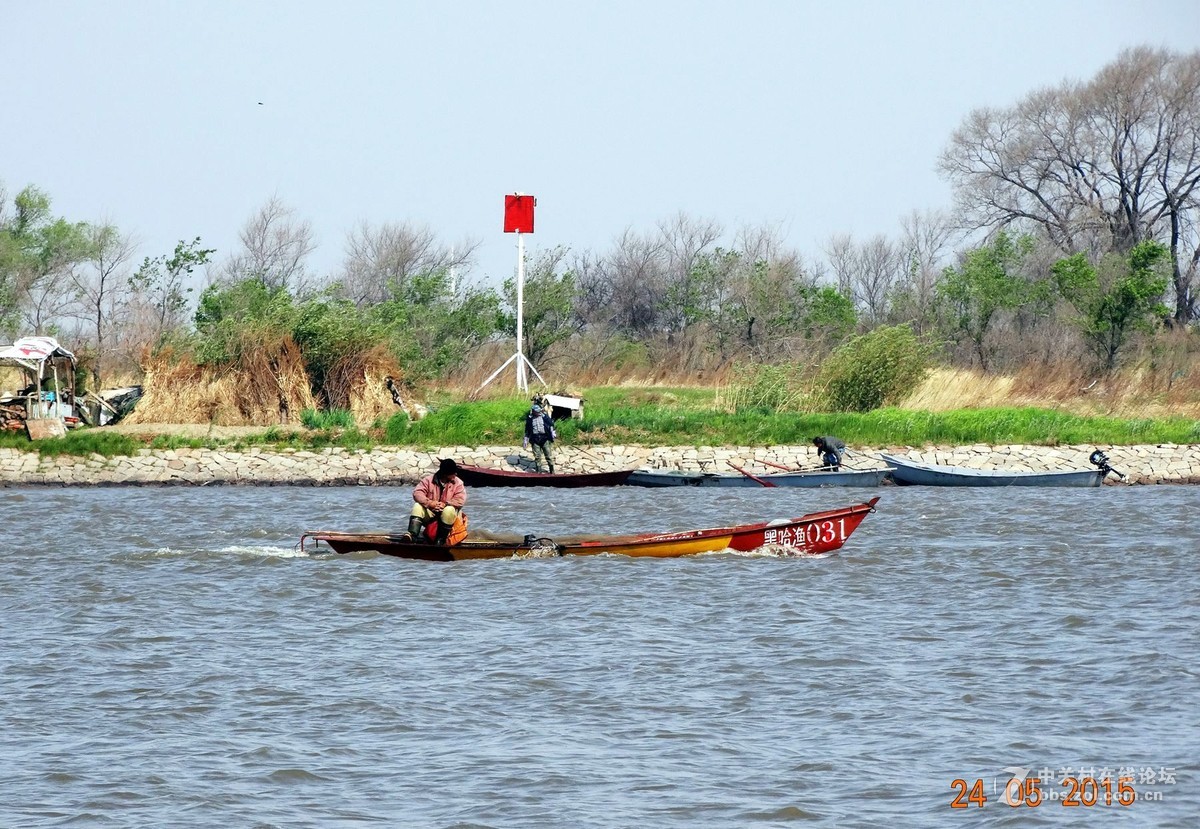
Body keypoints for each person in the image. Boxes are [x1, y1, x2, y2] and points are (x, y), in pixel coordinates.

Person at [403, 458, 467, 545]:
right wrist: (430, 503)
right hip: (431, 514)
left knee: (449, 510)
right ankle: (412, 535)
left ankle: (440, 540)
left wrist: (445, 504)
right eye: (452, 472)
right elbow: (417, 493)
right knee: (418, 506)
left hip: (449, 518)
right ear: (445, 473)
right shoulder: (428, 480)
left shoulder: (458, 483)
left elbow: (460, 500)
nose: (455, 474)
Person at [524, 402, 557, 473]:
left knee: (548, 455)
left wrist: (552, 432)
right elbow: (527, 429)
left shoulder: (544, 416)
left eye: (539, 411)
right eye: (536, 411)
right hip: (535, 439)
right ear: (533, 411)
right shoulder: (530, 418)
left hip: (544, 438)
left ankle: (552, 470)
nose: (538, 412)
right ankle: (538, 470)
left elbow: (551, 423)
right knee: (537, 456)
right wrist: (526, 439)